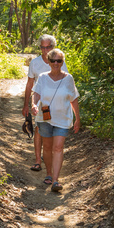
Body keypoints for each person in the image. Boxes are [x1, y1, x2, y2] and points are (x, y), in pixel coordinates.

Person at [31, 48, 80, 192]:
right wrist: (33, 105)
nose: (56, 63)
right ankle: (49, 174)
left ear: (62, 62)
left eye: (59, 60)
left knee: (58, 147)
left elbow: (74, 99)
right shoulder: (43, 77)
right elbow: (36, 93)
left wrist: (77, 118)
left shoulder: (68, 78)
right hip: (44, 119)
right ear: (49, 62)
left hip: (63, 119)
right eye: (53, 60)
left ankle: (56, 181)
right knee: (47, 147)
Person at [22, 35, 68, 172]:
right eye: (43, 47)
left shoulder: (59, 61)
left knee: (53, 129)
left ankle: (48, 156)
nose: (45, 50)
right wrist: (26, 105)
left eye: (48, 47)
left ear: (53, 47)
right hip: (40, 102)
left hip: (57, 103)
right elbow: (29, 84)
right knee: (38, 129)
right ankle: (37, 160)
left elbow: (65, 81)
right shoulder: (35, 63)